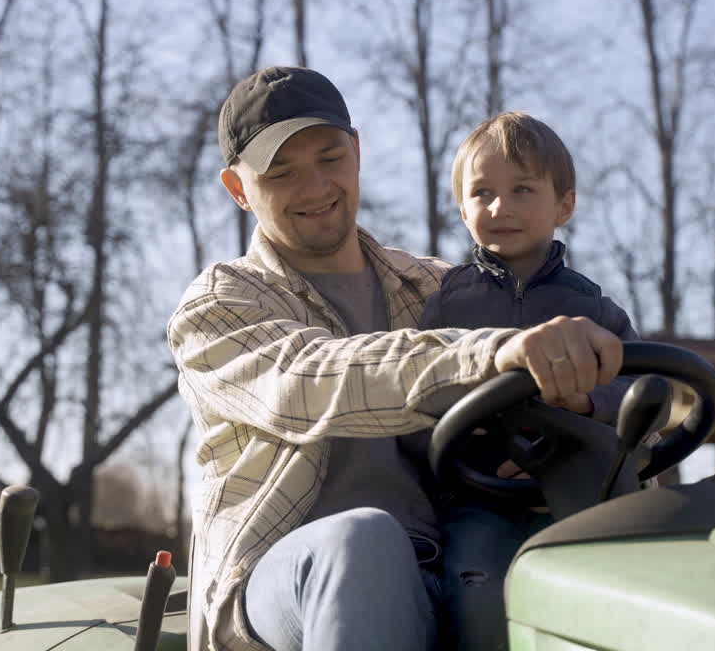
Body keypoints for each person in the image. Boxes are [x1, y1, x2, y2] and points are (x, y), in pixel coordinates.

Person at [166, 66, 624, 651]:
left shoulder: (441, 289)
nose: (314, 188)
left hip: (457, 558)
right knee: (363, 541)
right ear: (237, 188)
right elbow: (306, 382)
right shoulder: (221, 305)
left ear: (356, 153)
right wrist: (489, 351)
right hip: (286, 585)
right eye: (281, 173)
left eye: (330, 159)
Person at [420, 111, 641, 648]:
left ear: (564, 204)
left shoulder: (592, 310)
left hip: (581, 497)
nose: (500, 208)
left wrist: (587, 403)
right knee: (478, 592)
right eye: (482, 193)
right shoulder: (445, 305)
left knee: (610, 601)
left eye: (522, 189)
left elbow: (641, 392)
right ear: (462, 206)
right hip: (478, 500)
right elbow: (412, 394)